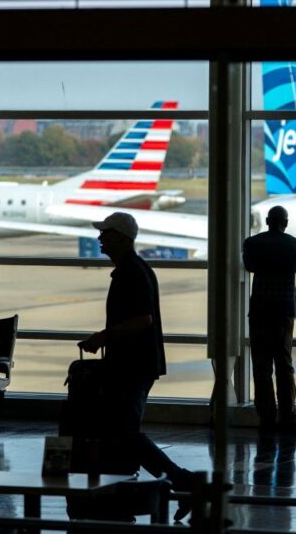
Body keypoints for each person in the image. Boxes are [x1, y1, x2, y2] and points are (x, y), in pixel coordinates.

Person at [75, 211, 194, 522]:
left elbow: (143, 320)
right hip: (134, 363)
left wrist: (103, 336)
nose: (100, 238)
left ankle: (180, 481)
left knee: (125, 432)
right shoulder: (135, 270)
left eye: (106, 233)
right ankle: (140, 486)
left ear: (122, 238)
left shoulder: (132, 272)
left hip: (133, 365)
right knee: (122, 430)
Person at [242, 205, 296, 431]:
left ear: (268, 221)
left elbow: (249, 266)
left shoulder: (252, 244)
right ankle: (288, 414)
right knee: (284, 364)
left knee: (261, 367)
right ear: (285, 222)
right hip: (283, 312)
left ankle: (266, 415)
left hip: (260, 310)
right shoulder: (295, 245)